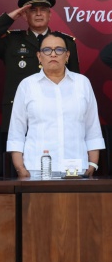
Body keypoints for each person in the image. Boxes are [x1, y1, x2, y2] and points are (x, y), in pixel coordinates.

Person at [0, 0, 79, 130]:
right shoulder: (12, 41)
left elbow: (75, 81)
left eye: (43, 10)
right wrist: (10, 17)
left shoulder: (66, 43)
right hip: (19, 115)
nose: (38, 14)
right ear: (24, 15)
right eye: (33, 10)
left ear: (50, 15)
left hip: (57, 115)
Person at [8, 34, 103, 178]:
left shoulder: (82, 83)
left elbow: (92, 126)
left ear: (67, 55)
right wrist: (20, 167)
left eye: (59, 50)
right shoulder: (27, 85)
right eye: (47, 50)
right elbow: (17, 130)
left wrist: (93, 164)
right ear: (39, 56)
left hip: (77, 168)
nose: (53, 54)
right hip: (36, 169)